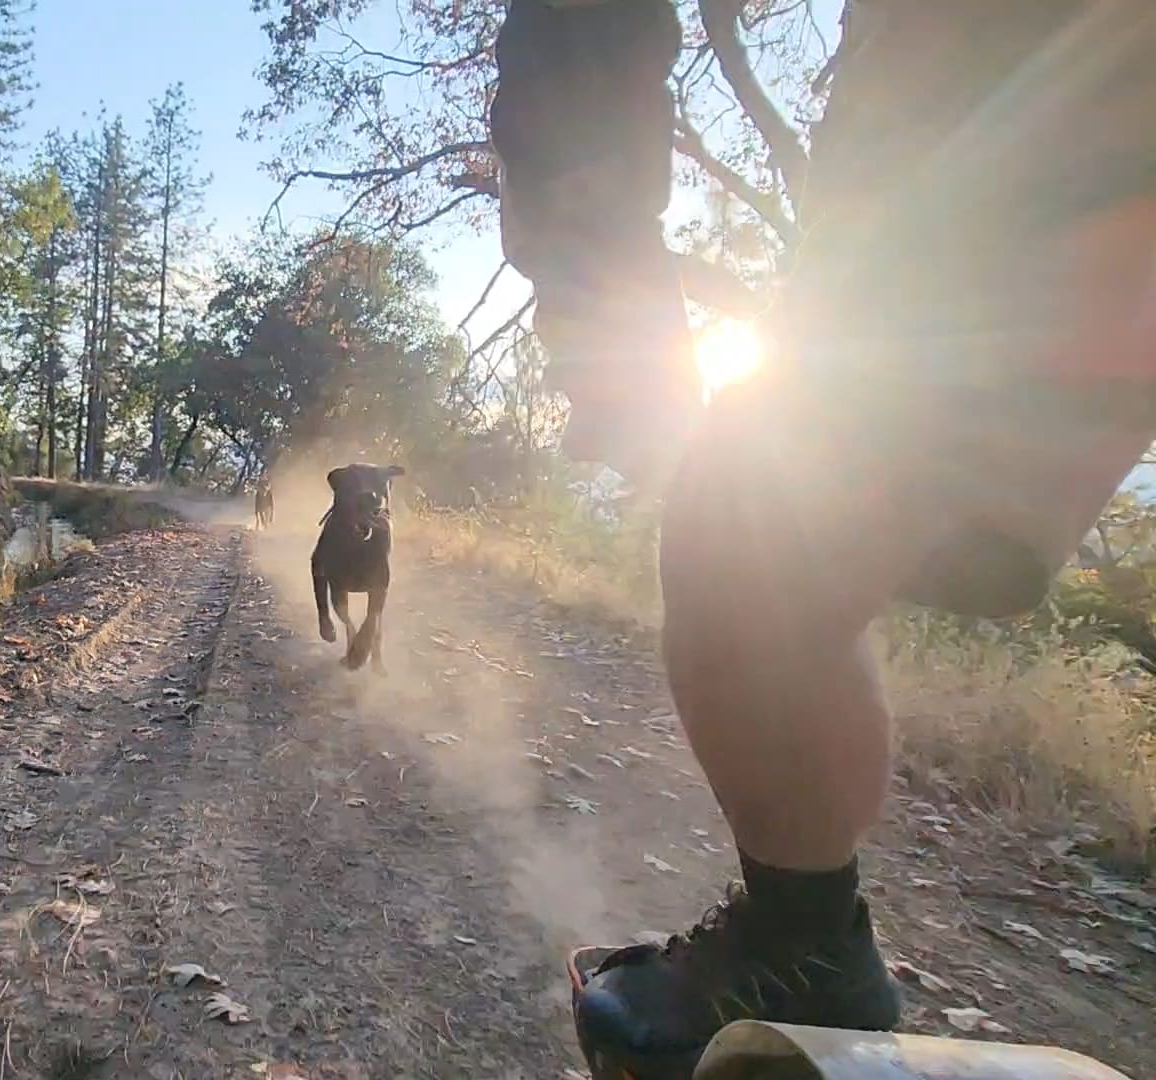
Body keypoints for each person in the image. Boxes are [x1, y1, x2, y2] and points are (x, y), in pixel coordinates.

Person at [490, 0, 1156, 1071]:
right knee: (754, 528)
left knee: (751, 524)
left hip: (1029, 70)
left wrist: (598, 297)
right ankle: (805, 938)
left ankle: (808, 941)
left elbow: (577, 38)